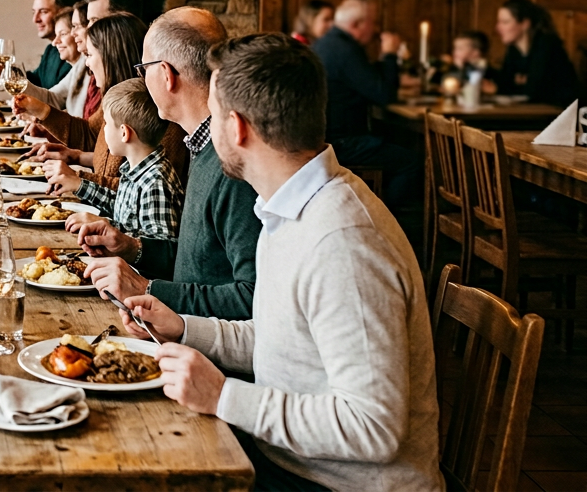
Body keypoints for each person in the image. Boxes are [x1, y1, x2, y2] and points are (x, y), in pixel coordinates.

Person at [120, 33, 440, 491]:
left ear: (237, 128)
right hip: (289, 461)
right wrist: (186, 328)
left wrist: (225, 395)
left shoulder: (343, 242)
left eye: (214, 113)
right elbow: (283, 341)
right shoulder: (285, 205)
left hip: (333, 482)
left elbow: (373, 428)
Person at [77, 7, 260, 320]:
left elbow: (253, 297)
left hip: (203, 351)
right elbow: (199, 262)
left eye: (142, 68)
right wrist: (130, 247)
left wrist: (148, 288)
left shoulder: (232, 163)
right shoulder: (199, 147)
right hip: (179, 328)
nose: (141, 77)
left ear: (165, 74)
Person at [63, 78, 184, 281]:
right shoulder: (134, 167)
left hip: (138, 283)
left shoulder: (155, 182)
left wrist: (106, 224)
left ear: (124, 133)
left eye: (106, 124)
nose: (103, 131)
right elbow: (121, 206)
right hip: (118, 270)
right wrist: (82, 187)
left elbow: (162, 247)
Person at [15, 14, 148, 194]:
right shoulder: (115, 97)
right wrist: (73, 155)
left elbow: (139, 192)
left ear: (111, 58)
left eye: (90, 55)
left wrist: (79, 178)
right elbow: (91, 135)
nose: (87, 64)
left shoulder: (146, 109)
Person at [311, 0, 420, 209]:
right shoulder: (345, 50)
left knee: (395, 145)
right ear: (357, 25)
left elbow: (369, 83)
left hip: (325, 137)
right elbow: (385, 94)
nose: (376, 29)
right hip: (342, 142)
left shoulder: (328, 43)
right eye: (372, 23)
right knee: (412, 164)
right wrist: (389, 54)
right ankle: (394, 223)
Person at [493, 0, 582, 107]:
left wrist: (519, 81)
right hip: (531, 112)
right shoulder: (514, 50)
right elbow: (505, 87)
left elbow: (535, 89)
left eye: (505, 22)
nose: (498, 28)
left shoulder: (546, 45)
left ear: (525, 24)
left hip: (559, 114)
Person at [0, 0, 75, 85]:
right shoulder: (50, 50)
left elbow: (57, 97)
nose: (35, 19)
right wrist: (3, 71)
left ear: (63, 13)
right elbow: (36, 81)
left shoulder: (74, 52)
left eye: (43, 12)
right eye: (34, 12)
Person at [21, 9, 91, 115]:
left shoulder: (89, 65)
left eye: (63, 34)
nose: (54, 42)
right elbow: (53, 98)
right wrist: (16, 82)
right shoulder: (80, 66)